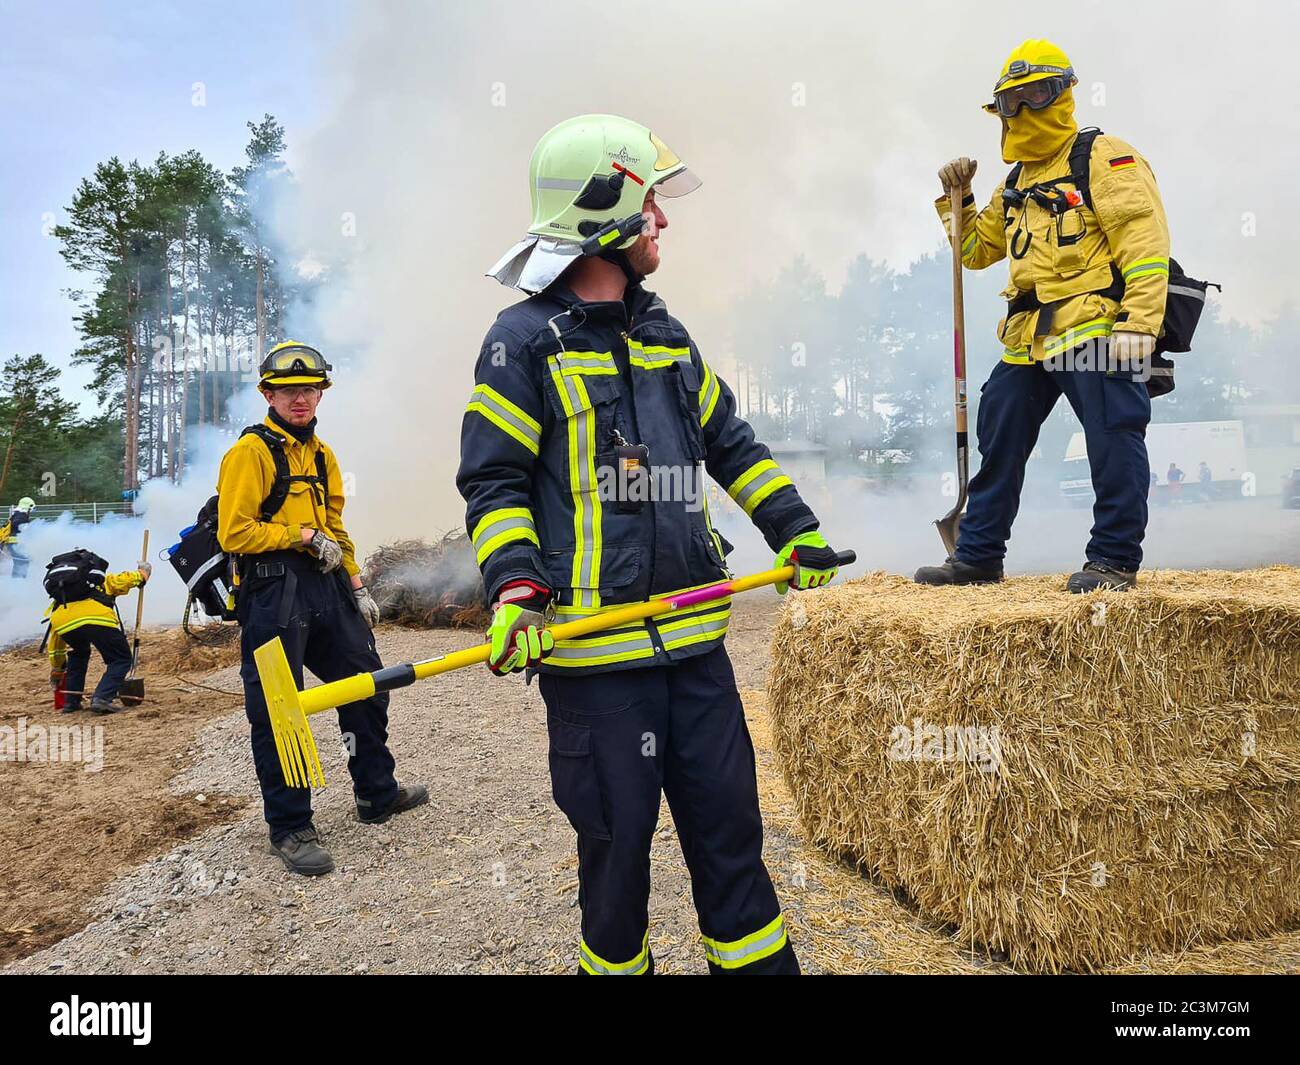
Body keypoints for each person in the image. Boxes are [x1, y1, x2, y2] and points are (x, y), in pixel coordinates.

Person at [460, 114, 842, 975]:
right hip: (598, 668)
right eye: (649, 206)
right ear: (605, 216)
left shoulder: (666, 336)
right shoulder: (519, 344)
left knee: (733, 847)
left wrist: (798, 530)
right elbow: (495, 483)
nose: (662, 222)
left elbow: (731, 443)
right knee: (616, 867)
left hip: (697, 650)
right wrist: (516, 586)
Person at [914, 39, 1170, 593]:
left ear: (1064, 93)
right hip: (1028, 335)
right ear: (1000, 111)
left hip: (1098, 326)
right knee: (998, 436)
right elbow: (976, 253)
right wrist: (957, 199)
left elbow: (1144, 247)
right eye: (1012, 101)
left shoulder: (1104, 158)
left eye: (1037, 94)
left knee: (1112, 438)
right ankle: (978, 555)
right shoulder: (1014, 183)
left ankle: (1113, 560)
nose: (1024, 110)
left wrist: (1139, 324)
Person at [217, 341, 426, 876]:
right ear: (267, 393)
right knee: (279, 710)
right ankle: (290, 827)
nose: (301, 399)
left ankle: (376, 794)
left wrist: (356, 584)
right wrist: (300, 535)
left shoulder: (323, 455)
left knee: (366, 682)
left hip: (328, 588)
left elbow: (336, 528)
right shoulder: (252, 453)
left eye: (309, 389)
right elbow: (233, 530)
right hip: (272, 593)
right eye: (288, 391)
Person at [45, 553, 150, 713]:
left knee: (79, 654)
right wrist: (143, 573)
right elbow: (125, 579)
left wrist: (57, 668)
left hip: (64, 623)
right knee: (120, 659)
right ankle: (102, 698)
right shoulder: (100, 581)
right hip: (97, 619)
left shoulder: (60, 600)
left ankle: (71, 703)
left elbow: (56, 644)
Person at [1, 496, 35, 578]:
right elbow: (19, 526)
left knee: (19, 563)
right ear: (28, 507)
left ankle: (16, 582)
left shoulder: (16, 515)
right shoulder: (21, 516)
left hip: (13, 545)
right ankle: (19, 582)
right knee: (23, 563)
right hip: (15, 545)